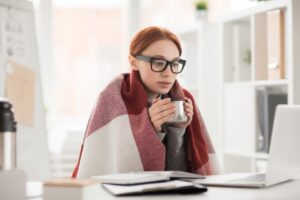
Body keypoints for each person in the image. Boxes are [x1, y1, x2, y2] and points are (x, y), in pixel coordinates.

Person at [72, 26, 219, 178]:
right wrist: (151, 130)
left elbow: (179, 174)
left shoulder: (183, 99)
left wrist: (179, 128)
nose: (168, 73)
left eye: (174, 63)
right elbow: (117, 172)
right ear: (134, 62)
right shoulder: (113, 99)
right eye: (158, 62)